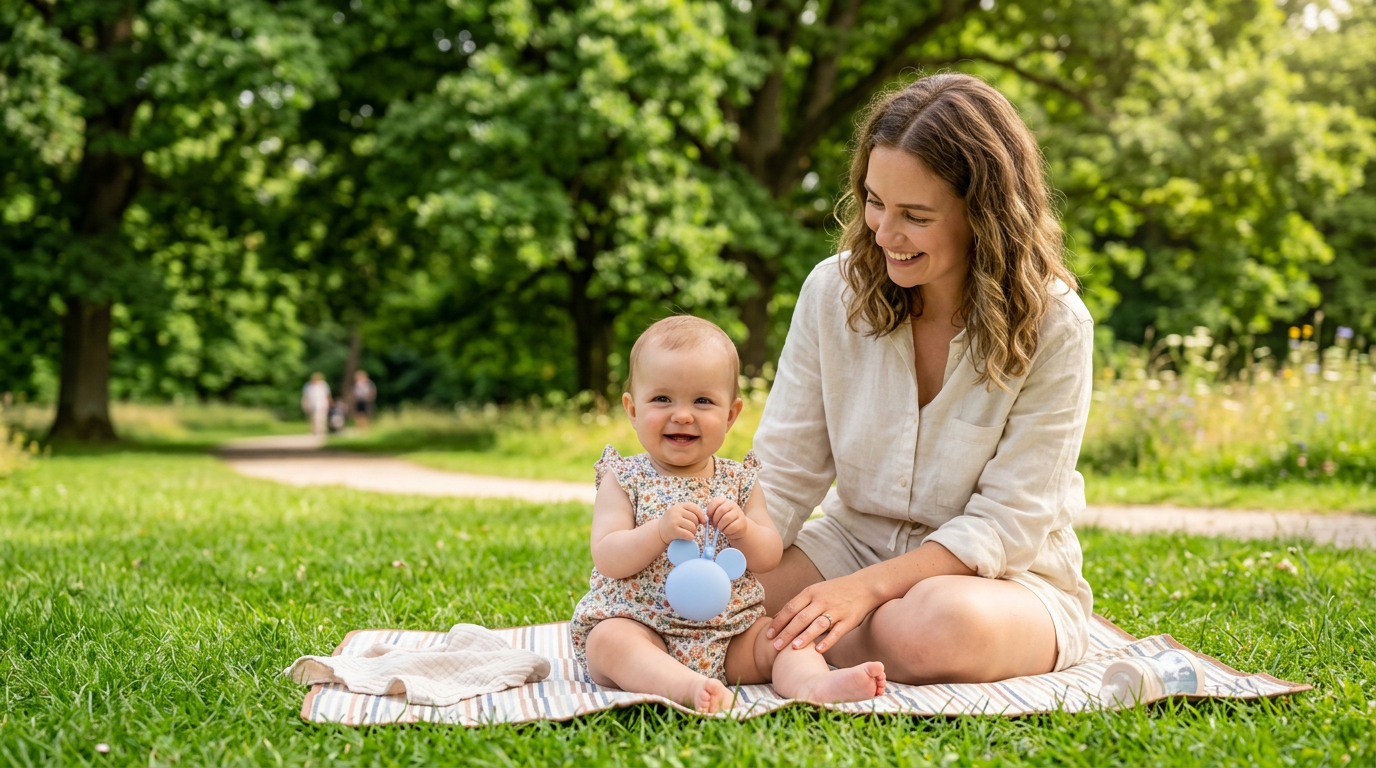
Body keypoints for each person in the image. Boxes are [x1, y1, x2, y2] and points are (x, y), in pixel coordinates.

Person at [750, 73, 1095, 686]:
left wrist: (864, 592)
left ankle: (788, 642)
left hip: (996, 581)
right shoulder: (831, 291)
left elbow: (1008, 524)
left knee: (934, 627)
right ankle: (813, 639)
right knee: (711, 599)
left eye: (915, 215)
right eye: (874, 201)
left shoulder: (1056, 324)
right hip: (851, 547)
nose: (884, 233)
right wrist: (724, 565)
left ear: (983, 216)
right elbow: (783, 472)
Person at [570, 316, 886, 713]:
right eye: (662, 399)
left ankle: (814, 683)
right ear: (632, 409)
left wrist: (744, 530)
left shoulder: (740, 481)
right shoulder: (624, 478)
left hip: (732, 632)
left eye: (702, 401)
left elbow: (768, 555)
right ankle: (683, 686)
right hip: (645, 626)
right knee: (609, 641)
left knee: (782, 638)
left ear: (731, 414)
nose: (682, 415)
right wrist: (658, 532)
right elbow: (608, 556)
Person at [301, 372, 332, 436]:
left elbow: (327, 395)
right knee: (313, 418)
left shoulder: (323, 385)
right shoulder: (308, 386)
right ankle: (315, 431)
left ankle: (322, 430)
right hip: (312, 404)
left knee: (322, 418)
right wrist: (305, 404)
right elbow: (306, 396)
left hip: (322, 404)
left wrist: (329, 403)